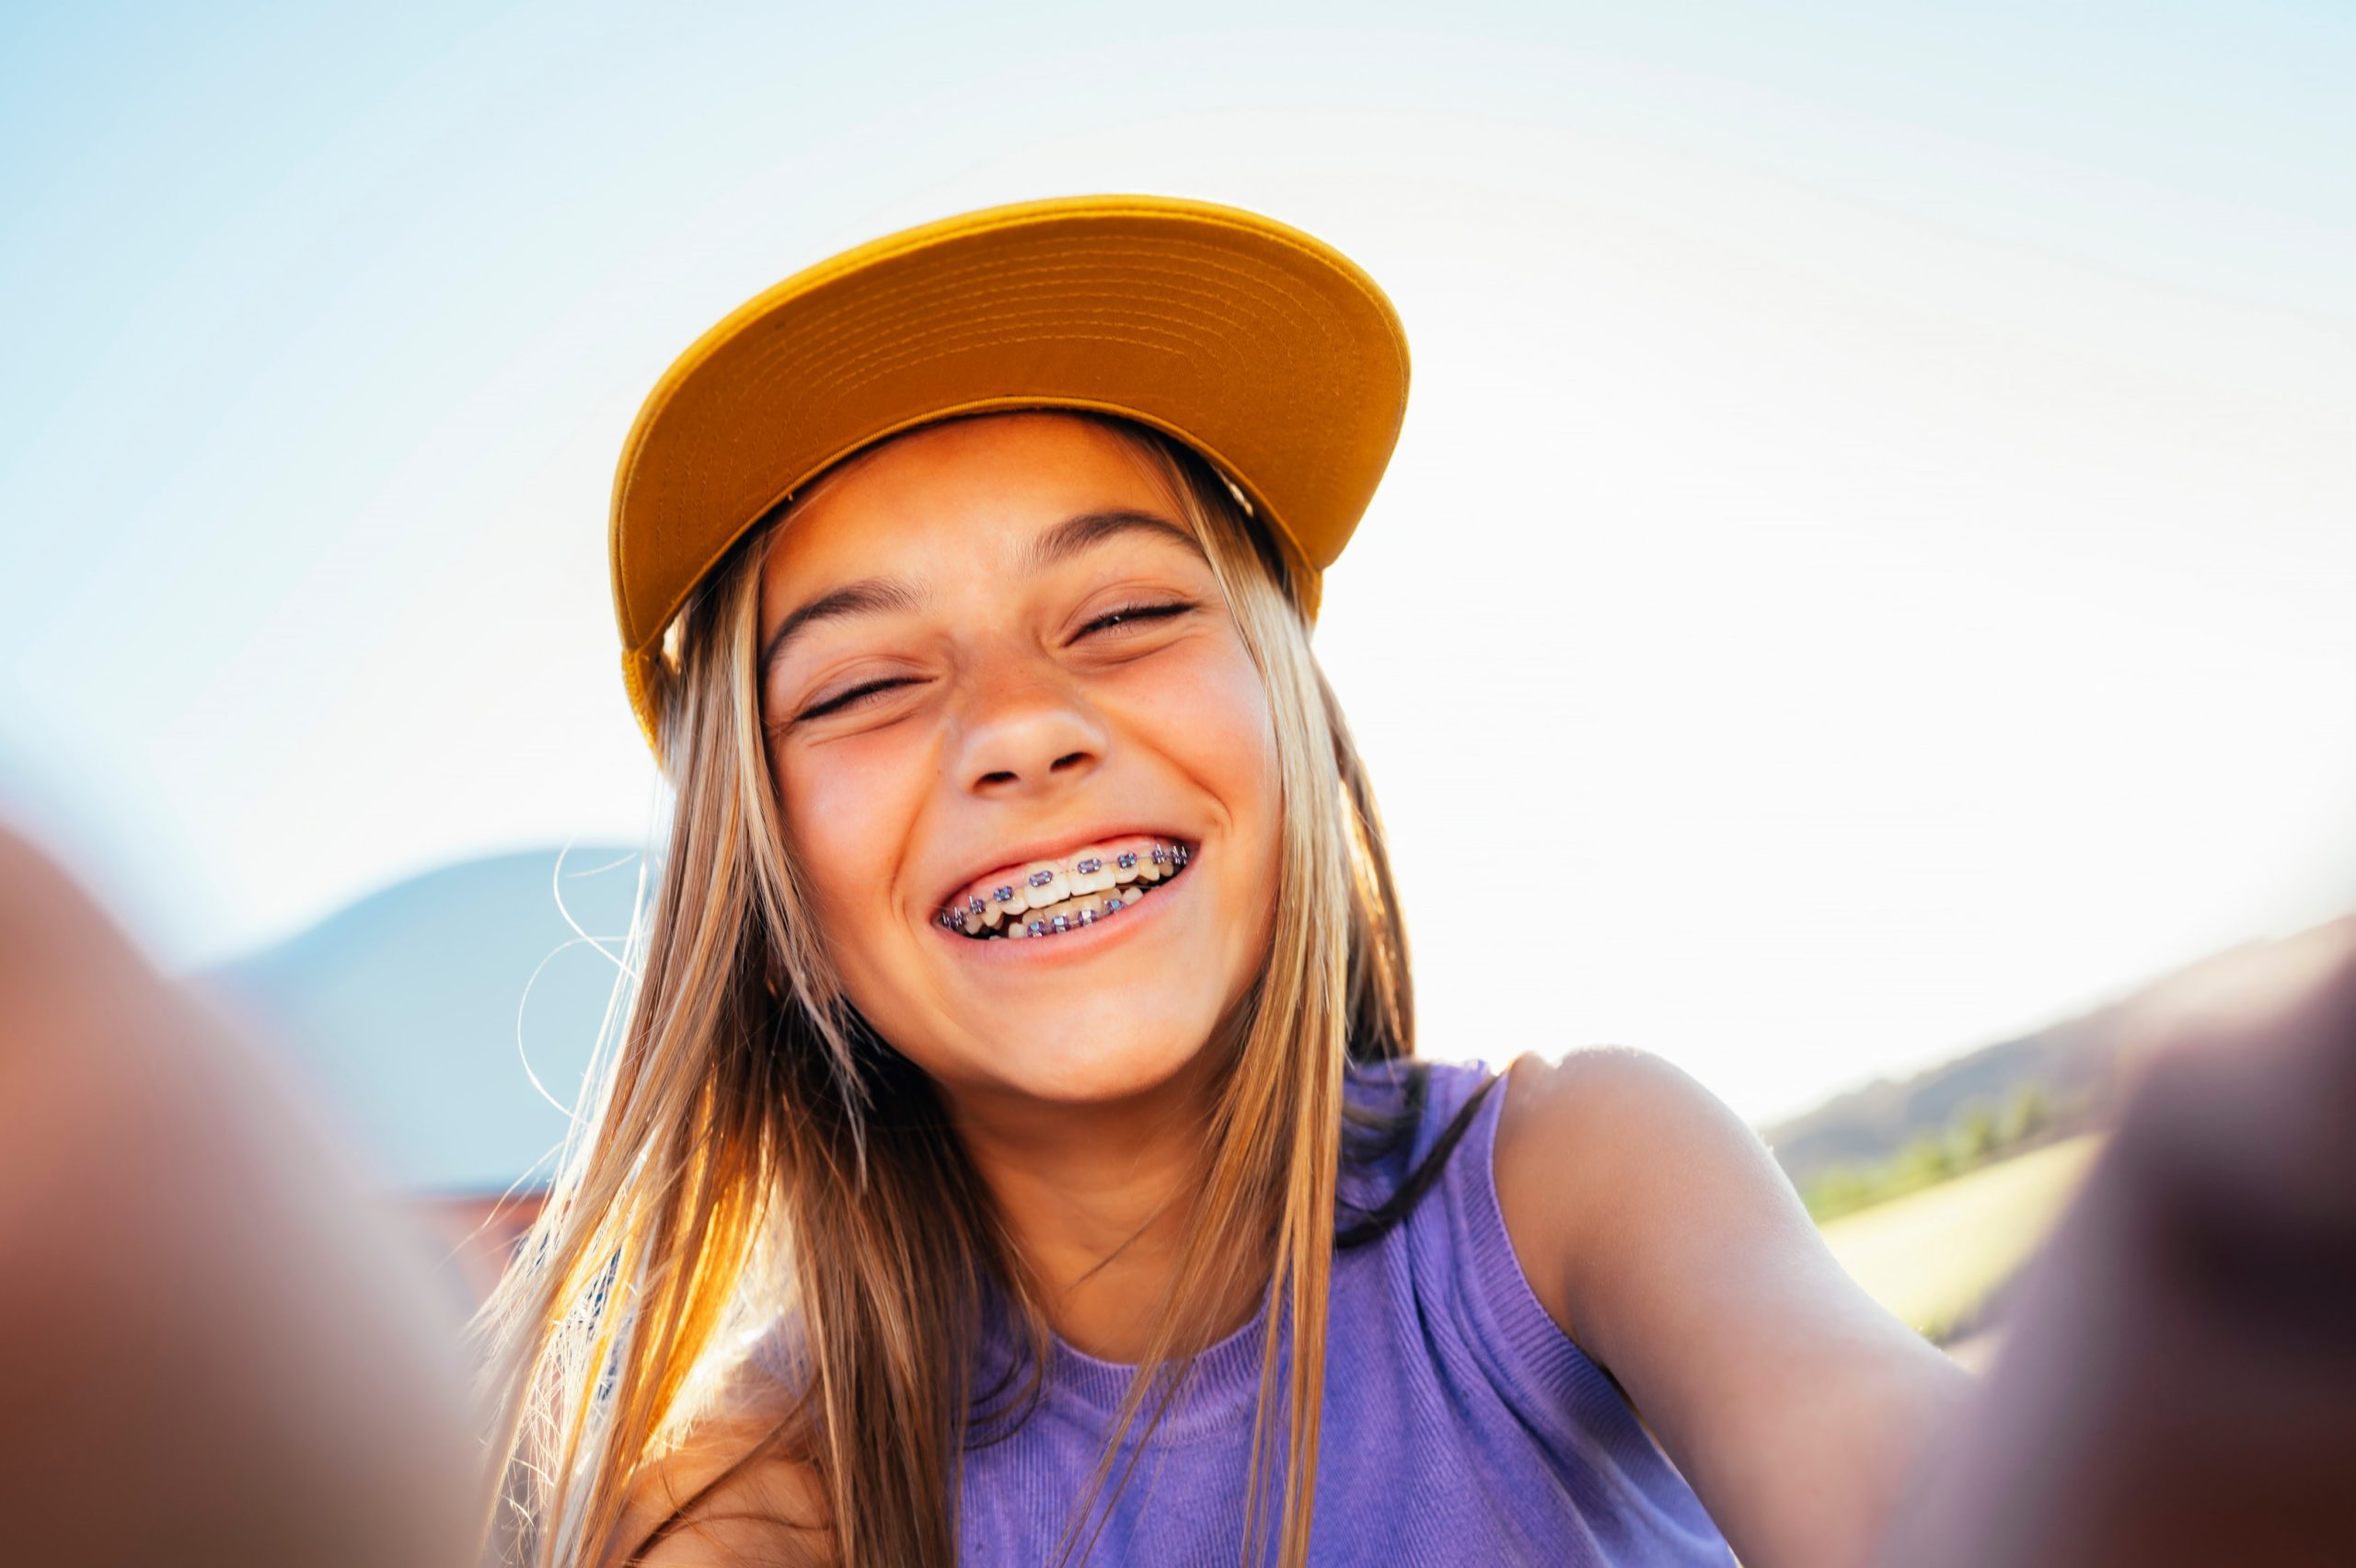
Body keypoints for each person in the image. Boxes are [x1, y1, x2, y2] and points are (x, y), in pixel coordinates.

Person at [477, 196, 1970, 1568]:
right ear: (765, 865)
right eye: (863, 685)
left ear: (1293, 709)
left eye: (1125, 610)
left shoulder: (1580, 1178)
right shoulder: (761, 1493)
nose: (1019, 725)